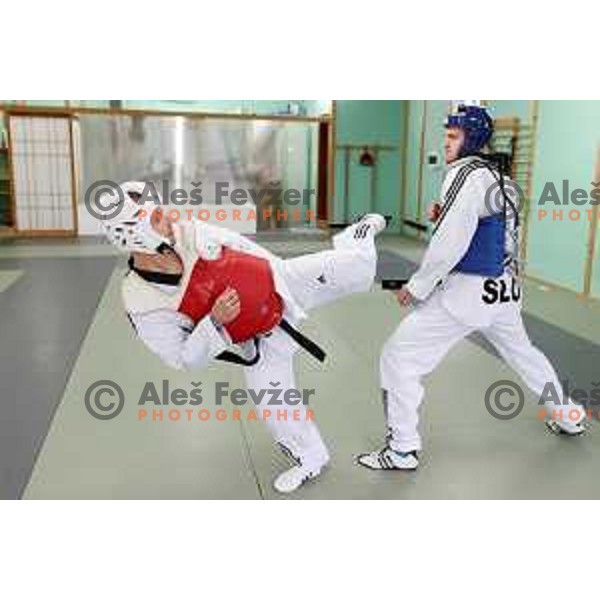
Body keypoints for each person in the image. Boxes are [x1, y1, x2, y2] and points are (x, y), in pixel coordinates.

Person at [101, 181, 386, 492]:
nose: (169, 219)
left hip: (280, 285)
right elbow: (182, 358)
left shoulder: (189, 232)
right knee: (272, 402)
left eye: (162, 211)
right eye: (156, 218)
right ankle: (310, 458)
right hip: (254, 335)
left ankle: (356, 235)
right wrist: (214, 322)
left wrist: (273, 286)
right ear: (132, 233)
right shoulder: (143, 301)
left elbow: (242, 246)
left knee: (353, 266)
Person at [357, 103, 587, 471]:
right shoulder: (502, 178)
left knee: (398, 357)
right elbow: (499, 233)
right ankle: (568, 415)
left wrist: (417, 287)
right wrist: (445, 214)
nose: (445, 143)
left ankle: (401, 448)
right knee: (525, 354)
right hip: (504, 291)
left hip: (467, 294)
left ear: (472, 139)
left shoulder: (462, 175)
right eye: (445, 135)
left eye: (453, 136)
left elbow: (451, 242)